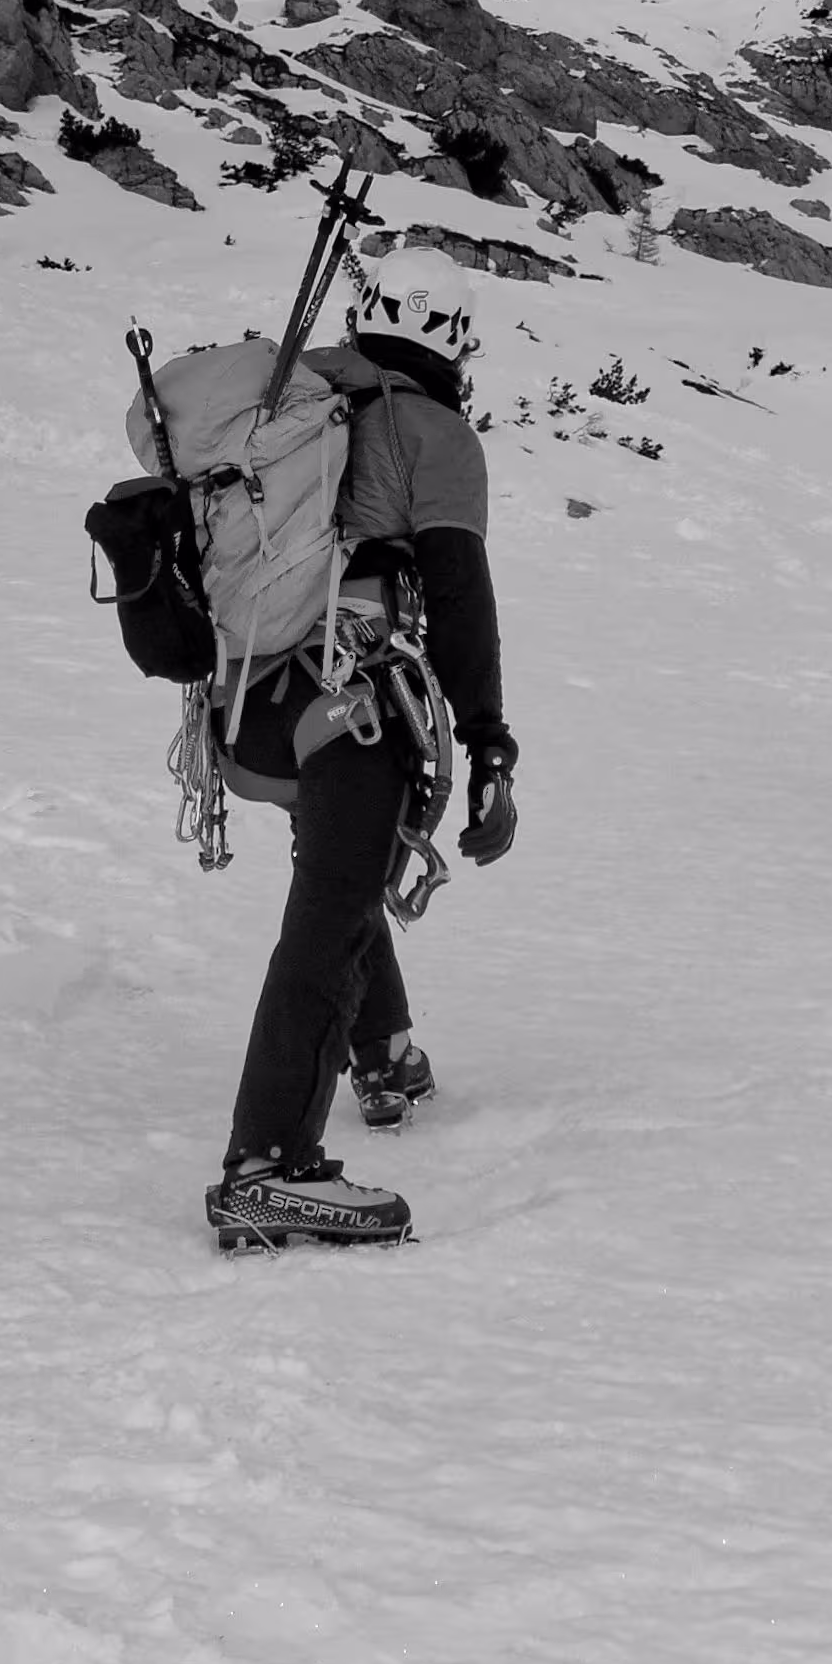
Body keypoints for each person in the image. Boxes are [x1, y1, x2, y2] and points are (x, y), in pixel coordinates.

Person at [210, 296, 513, 1249]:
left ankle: (382, 1055)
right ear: (454, 343)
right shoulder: (433, 430)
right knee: (334, 915)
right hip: (356, 701)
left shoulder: (289, 408)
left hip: (250, 700)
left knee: (341, 869)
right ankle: (266, 1169)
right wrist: (491, 739)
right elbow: (456, 590)